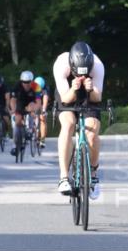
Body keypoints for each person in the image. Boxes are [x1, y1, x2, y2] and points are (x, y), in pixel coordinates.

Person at [54, 42, 105, 199]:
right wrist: (74, 88)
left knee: (92, 133)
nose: (81, 76)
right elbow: (65, 99)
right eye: (77, 73)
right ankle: (64, 177)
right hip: (68, 92)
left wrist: (90, 89)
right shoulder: (61, 64)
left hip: (89, 95)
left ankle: (93, 175)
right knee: (68, 124)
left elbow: (97, 97)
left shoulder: (97, 66)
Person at [9, 70, 39, 155]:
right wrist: (14, 110)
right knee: (17, 121)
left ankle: (30, 129)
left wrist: (35, 111)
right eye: (24, 82)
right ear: (21, 81)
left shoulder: (36, 87)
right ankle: (15, 145)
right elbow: (13, 100)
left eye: (28, 82)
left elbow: (38, 102)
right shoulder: (16, 87)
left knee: (32, 107)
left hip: (31, 102)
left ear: (32, 81)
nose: (26, 84)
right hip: (20, 103)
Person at [33, 75, 50, 148]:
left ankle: (42, 140)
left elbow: (45, 99)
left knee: (43, 119)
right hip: (35, 101)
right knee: (34, 117)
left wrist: (43, 110)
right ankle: (34, 134)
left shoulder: (46, 88)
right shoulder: (32, 86)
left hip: (42, 102)